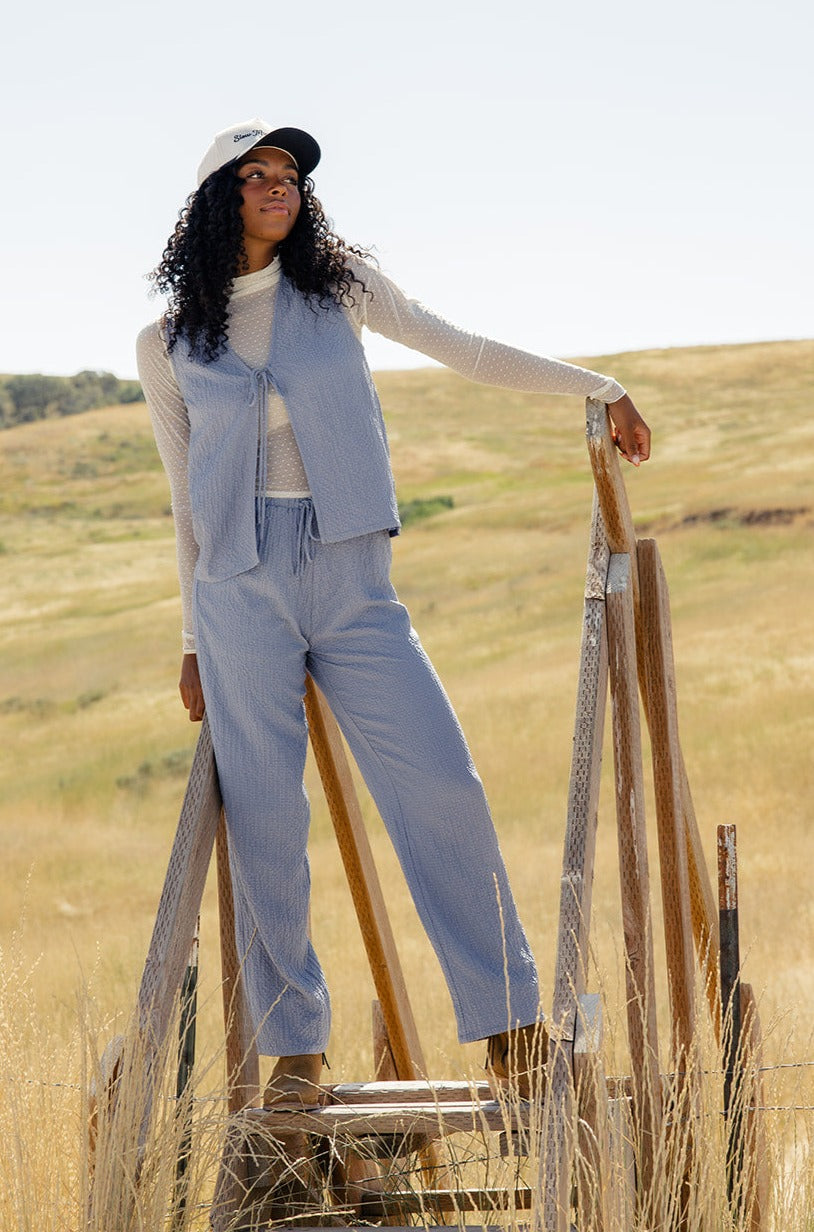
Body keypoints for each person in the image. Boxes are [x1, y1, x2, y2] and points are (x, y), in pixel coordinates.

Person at [137, 119, 650, 1107]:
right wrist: (193, 640)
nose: (279, 184)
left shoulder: (342, 288)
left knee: (441, 785)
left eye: (289, 171)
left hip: (352, 572)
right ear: (217, 199)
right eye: (256, 173)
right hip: (237, 590)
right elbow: (180, 498)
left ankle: (511, 1031)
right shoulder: (165, 343)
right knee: (267, 824)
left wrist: (600, 384)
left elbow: (464, 351)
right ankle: (295, 1061)